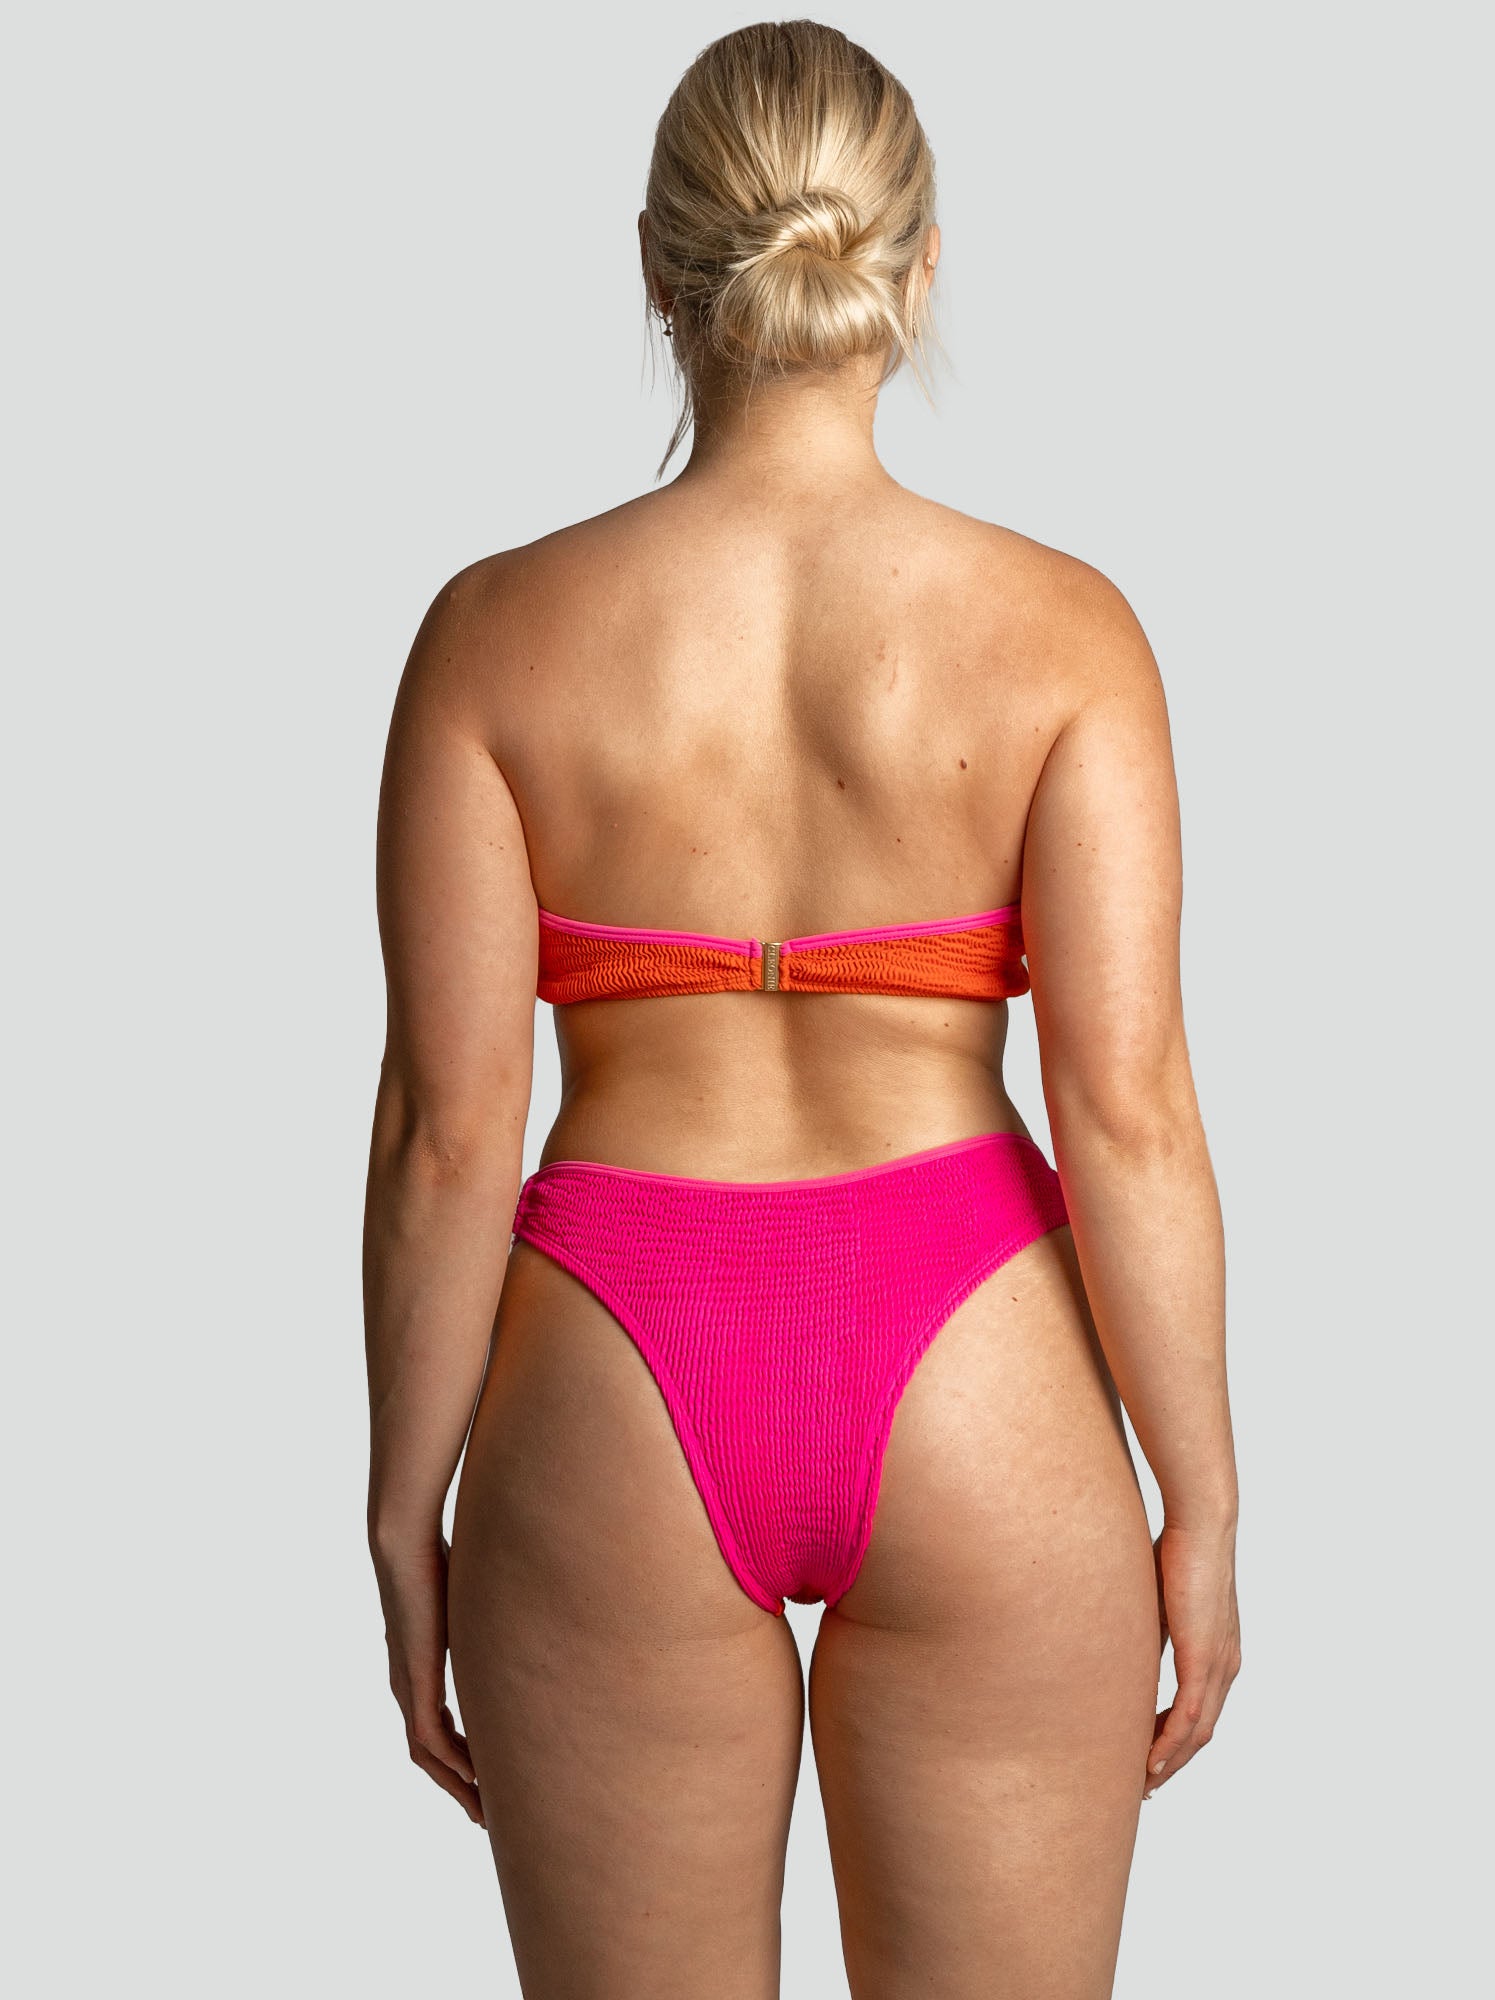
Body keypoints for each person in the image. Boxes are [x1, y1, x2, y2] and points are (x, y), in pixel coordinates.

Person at [363, 19, 1239, 1996]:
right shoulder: (1065, 633)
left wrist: (404, 1513)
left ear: (655, 269)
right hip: (976, 1355)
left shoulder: (490, 637)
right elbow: (1129, 1113)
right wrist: (1200, 1494)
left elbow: (444, 1131)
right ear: (920, 263)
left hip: (609, 1364)